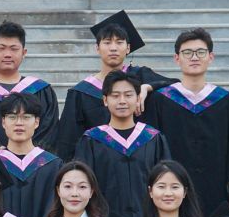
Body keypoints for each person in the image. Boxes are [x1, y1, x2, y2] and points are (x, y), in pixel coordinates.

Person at [144, 28, 229, 217]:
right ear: (177, 58)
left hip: (216, 185)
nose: (194, 57)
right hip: (173, 186)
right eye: (187, 52)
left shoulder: (225, 100)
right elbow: (154, 149)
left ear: (211, 57)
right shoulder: (160, 100)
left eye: (200, 52)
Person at [55, 9, 172, 154]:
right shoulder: (81, 93)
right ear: (97, 48)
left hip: (142, 157)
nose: (113, 48)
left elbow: (175, 86)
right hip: (98, 159)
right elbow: (68, 140)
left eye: (119, 42)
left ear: (128, 48)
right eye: (107, 42)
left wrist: (147, 87)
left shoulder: (141, 76)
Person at [76, 71, 170, 217]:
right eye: (115, 96)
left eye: (128, 95)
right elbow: (83, 183)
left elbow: (166, 180)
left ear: (138, 99)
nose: (122, 101)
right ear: (105, 100)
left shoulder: (153, 138)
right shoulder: (92, 140)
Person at [0, 21, 59, 146]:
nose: (7, 54)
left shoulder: (41, 90)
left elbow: (49, 131)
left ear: (24, 53)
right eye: (1, 48)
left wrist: (28, 152)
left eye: (14, 49)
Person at [0, 94, 59, 217]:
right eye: (12, 117)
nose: (19, 123)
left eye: (26, 117)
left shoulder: (53, 166)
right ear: (3, 122)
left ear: (36, 122)